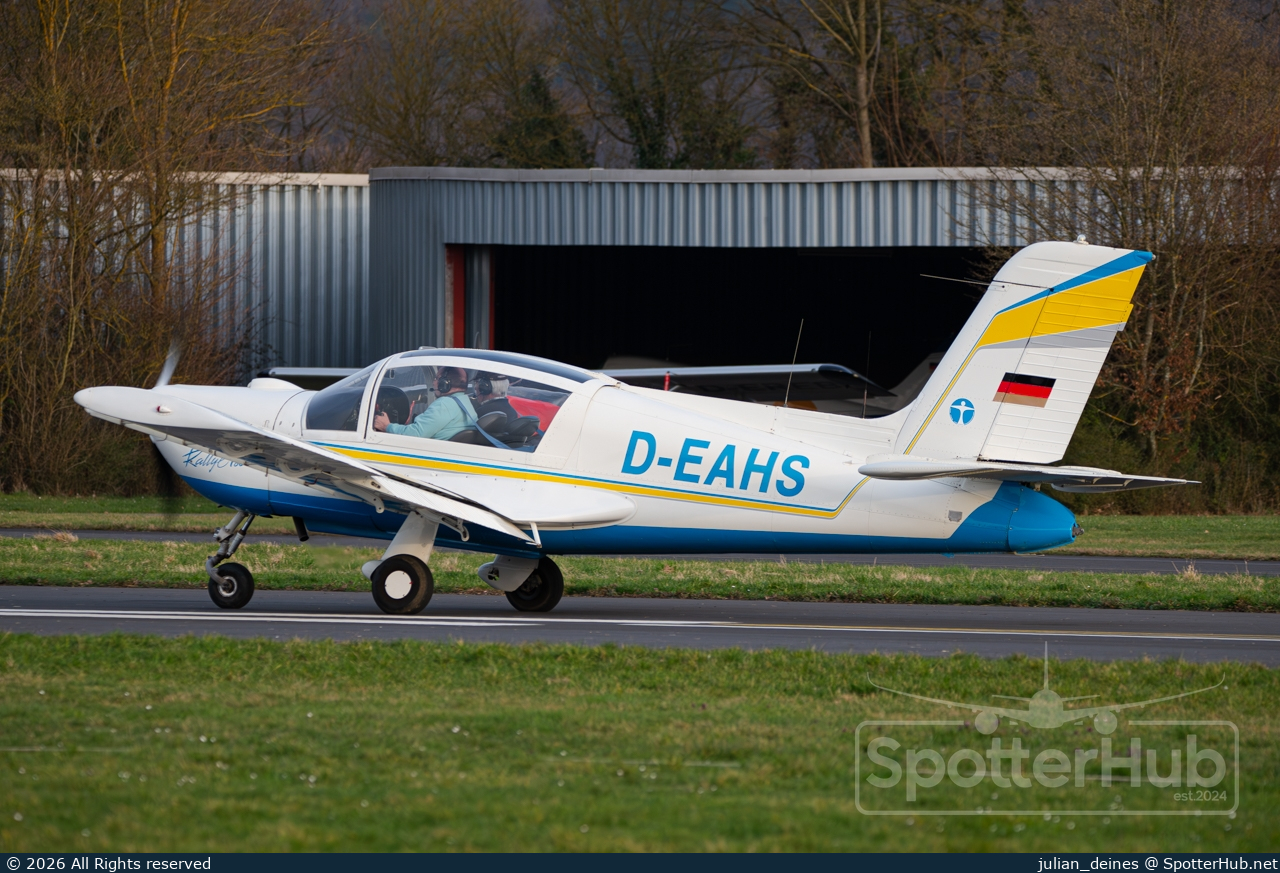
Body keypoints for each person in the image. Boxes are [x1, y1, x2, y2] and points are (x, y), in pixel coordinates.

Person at [373, 367, 476, 440]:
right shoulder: (465, 401)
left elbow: (415, 434)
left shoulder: (444, 404)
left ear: (445, 383)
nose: (434, 382)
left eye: (436, 378)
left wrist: (387, 426)